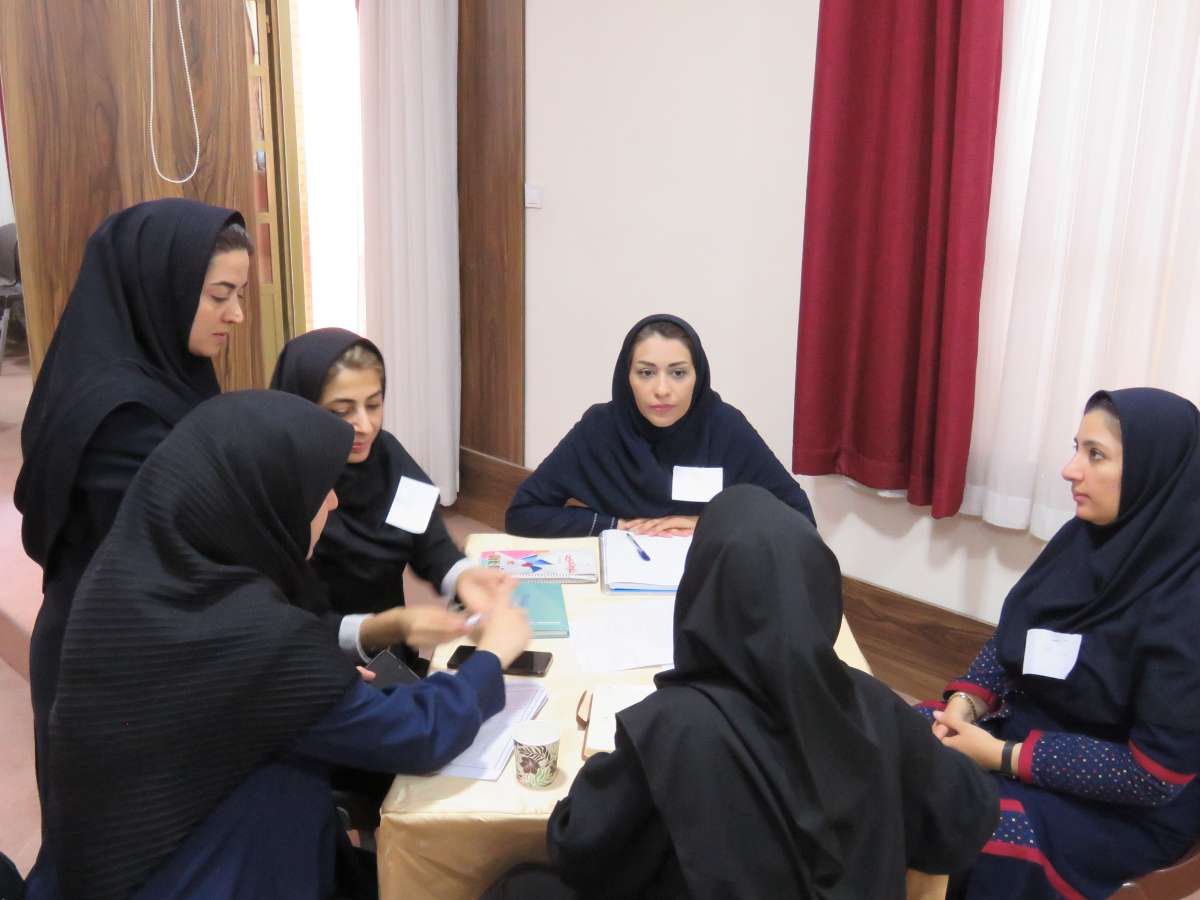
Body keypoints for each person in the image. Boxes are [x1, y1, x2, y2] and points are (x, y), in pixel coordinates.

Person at [22, 390, 530, 900]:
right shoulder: (258, 639)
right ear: (264, 500)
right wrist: (492, 655)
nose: (333, 502)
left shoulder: (126, 580)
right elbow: (420, 733)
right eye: (320, 491)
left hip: (108, 867)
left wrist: (312, 683)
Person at [489, 485, 997, 899]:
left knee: (520, 887)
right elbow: (964, 820)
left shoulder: (672, 724)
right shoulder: (870, 701)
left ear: (701, 589)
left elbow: (582, 851)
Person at [14, 198, 252, 808]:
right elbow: (190, 542)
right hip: (110, 669)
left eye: (240, 294)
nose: (237, 314)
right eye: (219, 295)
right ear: (161, 287)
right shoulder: (119, 415)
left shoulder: (169, 372)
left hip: (149, 640)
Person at [925, 389, 1200, 899]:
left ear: (1154, 473)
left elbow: (1152, 777)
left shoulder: (1186, 600)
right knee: (889, 737)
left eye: (1095, 455)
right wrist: (964, 705)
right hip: (1029, 731)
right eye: (1077, 449)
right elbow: (1015, 643)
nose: (1070, 470)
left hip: (1123, 807)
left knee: (968, 825)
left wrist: (1002, 755)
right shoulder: (1084, 540)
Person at [270, 327, 513, 666]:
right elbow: (280, 625)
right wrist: (381, 628)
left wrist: (462, 576)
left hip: (390, 652)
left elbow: (429, 544)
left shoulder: (385, 457)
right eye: (341, 411)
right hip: (311, 665)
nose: (366, 425)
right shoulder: (278, 487)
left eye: (374, 405)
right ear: (301, 408)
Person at [505, 314, 815, 538]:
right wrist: (616, 526)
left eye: (678, 373)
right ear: (626, 377)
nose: (662, 390)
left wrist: (706, 525)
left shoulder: (724, 427)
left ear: (698, 377)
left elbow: (799, 518)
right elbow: (523, 513)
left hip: (706, 579)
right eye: (646, 373)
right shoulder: (600, 429)